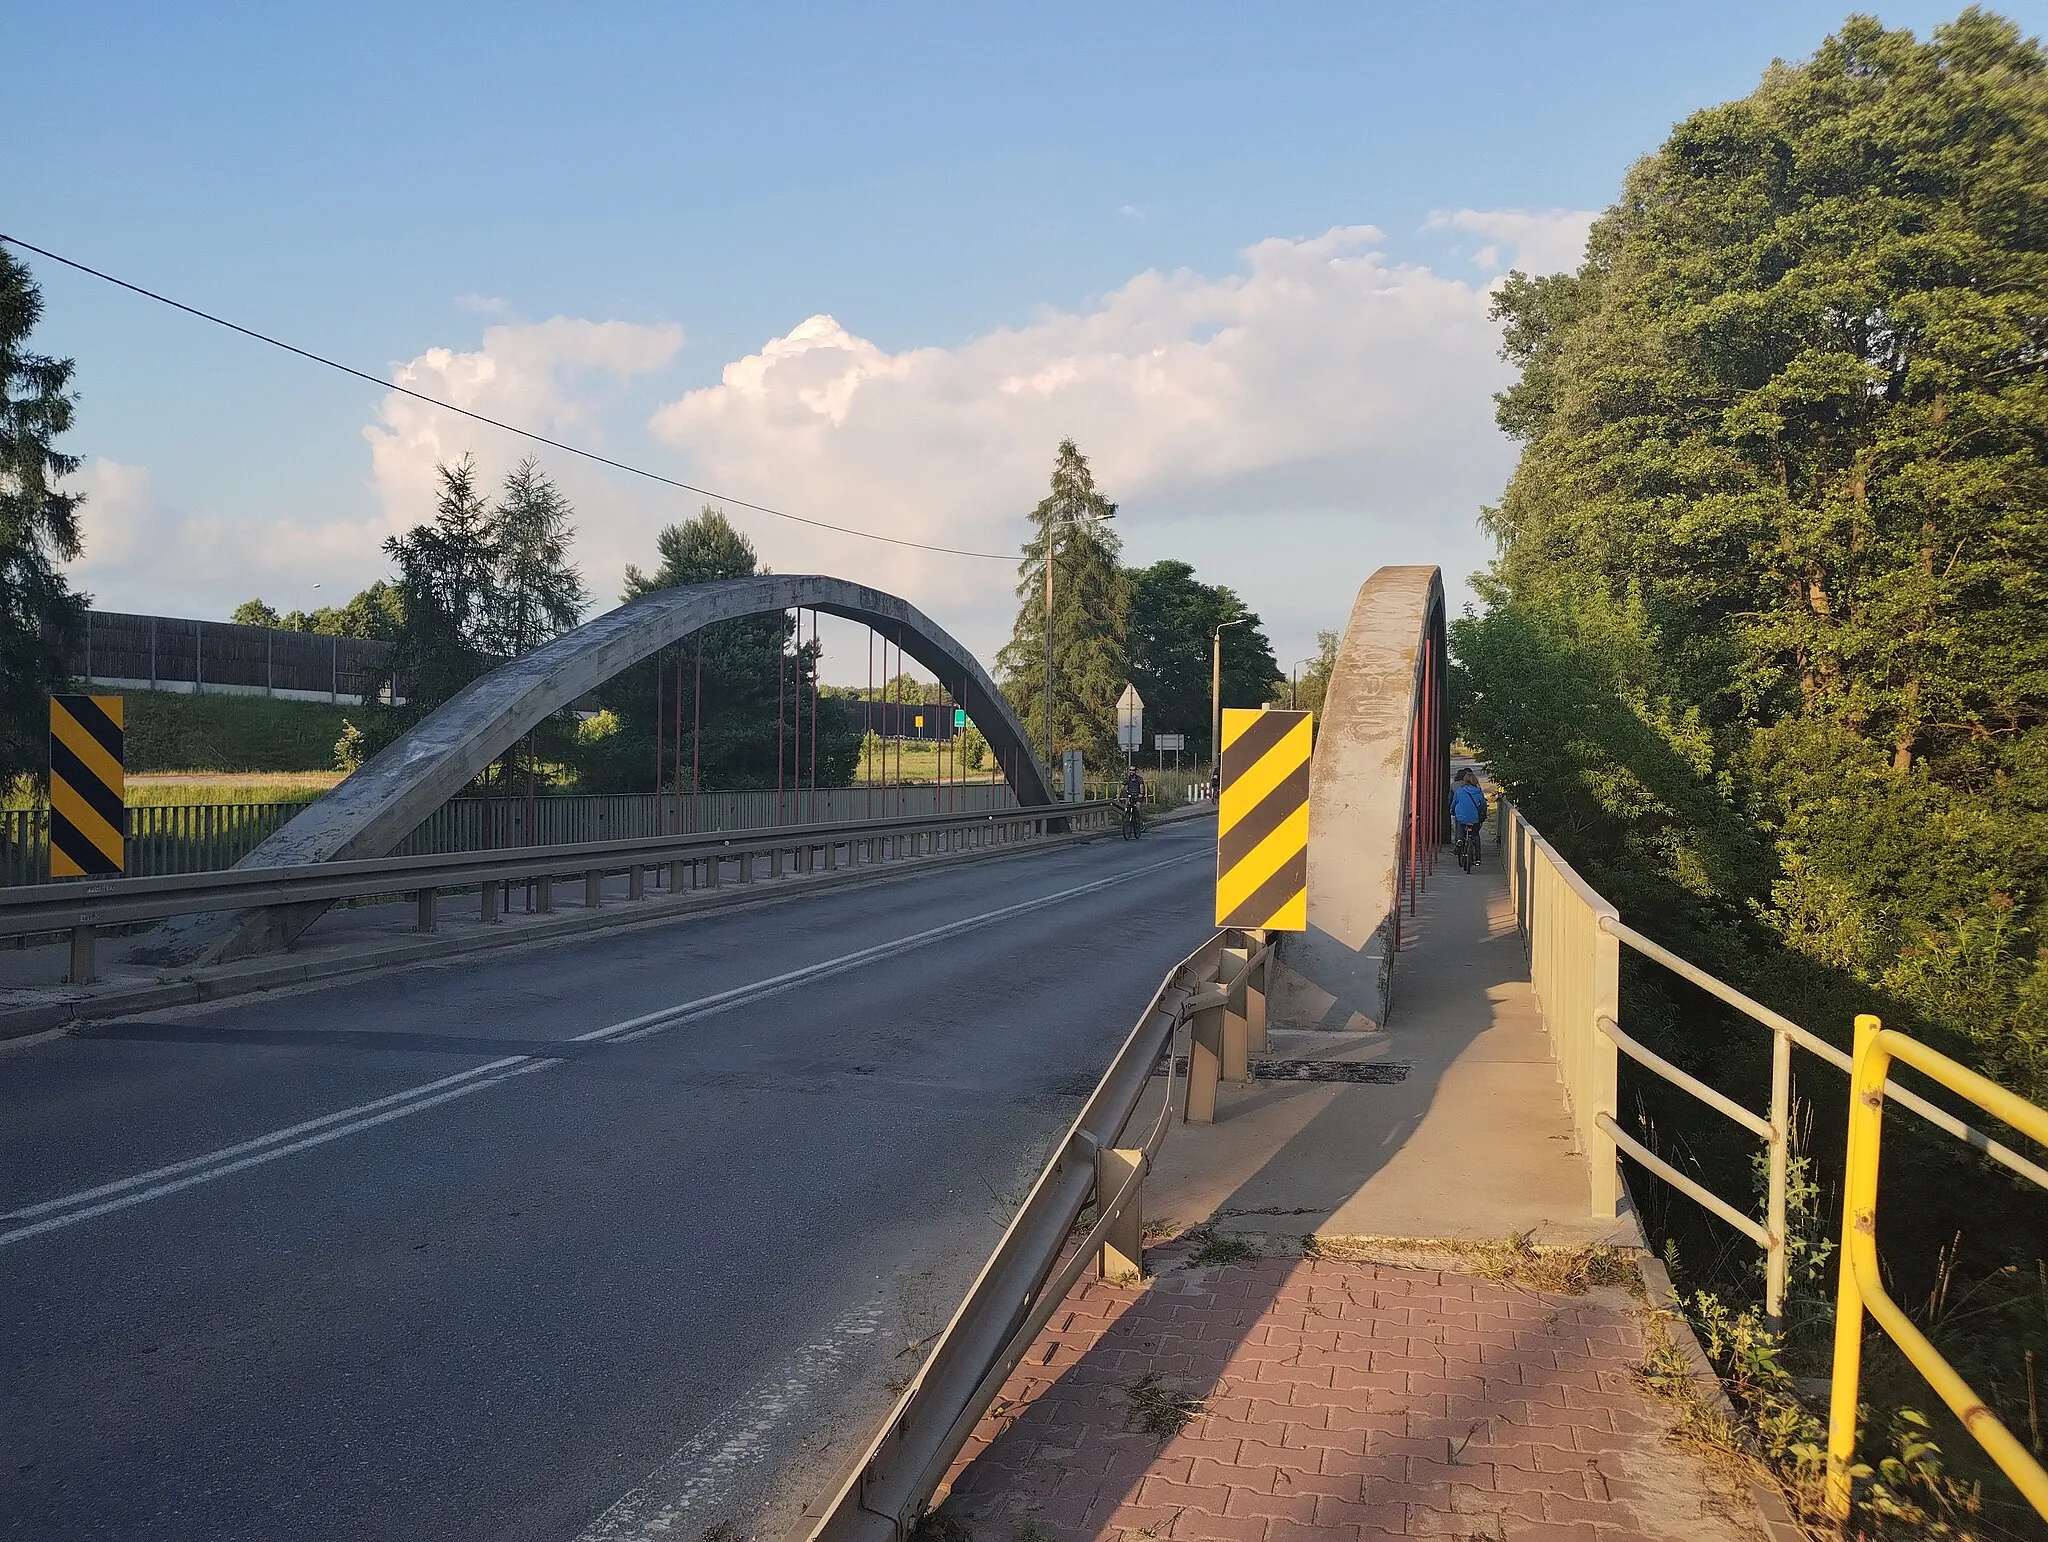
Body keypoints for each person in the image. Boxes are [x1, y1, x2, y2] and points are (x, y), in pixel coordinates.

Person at [1451, 768, 1488, 868]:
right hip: (1474, 818)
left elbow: (1454, 804)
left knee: (1461, 832)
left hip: (1461, 817)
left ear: (1464, 781)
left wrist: (1452, 812)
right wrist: (1483, 814)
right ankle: (1478, 858)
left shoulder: (1459, 792)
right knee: (1475, 836)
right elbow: (1483, 805)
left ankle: (1459, 841)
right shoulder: (1478, 792)